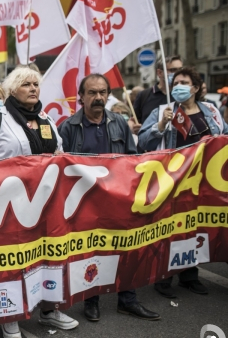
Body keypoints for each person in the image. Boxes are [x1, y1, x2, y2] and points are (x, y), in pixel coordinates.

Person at [0, 67, 75, 338]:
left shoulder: (46, 120)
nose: (33, 88)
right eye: (26, 84)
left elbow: (59, 157)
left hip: (44, 204)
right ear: (12, 89)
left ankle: (50, 309)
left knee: (47, 257)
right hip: (5, 206)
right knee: (12, 260)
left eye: (36, 84)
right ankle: (10, 315)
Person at [58, 74, 160, 322]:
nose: (98, 98)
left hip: (118, 200)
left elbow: (132, 159)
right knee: (92, 252)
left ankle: (128, 300)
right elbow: (62, 168)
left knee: (126, 248)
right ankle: (92, 300)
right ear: (81, 97)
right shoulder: (69, 127)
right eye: (92, 93)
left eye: (102, 92)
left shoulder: (119, 123)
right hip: (86, 203)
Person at [139, 67, 227, 297]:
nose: (178, 85)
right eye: (175, 82)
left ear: (195, 88)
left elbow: (223, 137)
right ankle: (163, 278)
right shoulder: (164, 110)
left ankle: (189, 275)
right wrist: (160, 126)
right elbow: (143, 141)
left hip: (203, 181)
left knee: (193, 227)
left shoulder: (211, 110)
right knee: (170, 228)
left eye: (184, 82)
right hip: (173, 180)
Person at [133, 55, 183, 125]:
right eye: (173, 70)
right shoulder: (143, 95)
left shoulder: (184, 95)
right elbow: (133, 119)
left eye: (180, 70)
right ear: (159, 73)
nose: (178, 73)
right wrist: (134, 127)